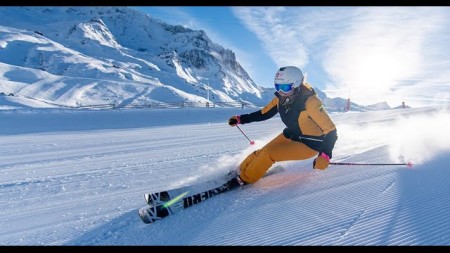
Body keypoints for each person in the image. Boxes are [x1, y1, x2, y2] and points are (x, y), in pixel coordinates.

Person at [225, 66, 338, 189]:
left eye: (285, 87)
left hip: (310, 145)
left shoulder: (311, 103)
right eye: (278, 87)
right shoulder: (280, 99)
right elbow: (263, 113)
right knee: (262, 152)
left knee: (269, 154)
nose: (281, 92)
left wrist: (325, 155)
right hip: (290, 135)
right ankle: (240, 170)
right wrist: (240, 119)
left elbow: (331, 131)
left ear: (296, 85)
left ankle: (244, 179)